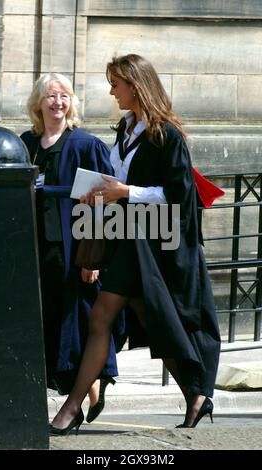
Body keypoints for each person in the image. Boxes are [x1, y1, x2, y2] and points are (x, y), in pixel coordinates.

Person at [49, 54, 221, 435]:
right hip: (126, 238)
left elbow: (179, 195)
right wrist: (100, 193)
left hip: (155, 245)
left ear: (136, 85)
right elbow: (119, 184)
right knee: (138, 317)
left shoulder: (167, 135)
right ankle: (196, 395)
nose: (112, 91)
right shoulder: (124, 131)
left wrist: (125, 191)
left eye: (116, 84)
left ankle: (71, 408)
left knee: (103, 317)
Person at [20, 73, 124, 423]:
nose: (58, 102)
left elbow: (101, 204)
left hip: (72, 253)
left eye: (64, 96)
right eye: (51, 96)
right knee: (51, 326)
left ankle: (81, 399)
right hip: (35, 254)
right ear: (38, 103)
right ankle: (91, 391)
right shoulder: (25, 144)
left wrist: (92, 257)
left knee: (76, 324)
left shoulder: (84, 145)